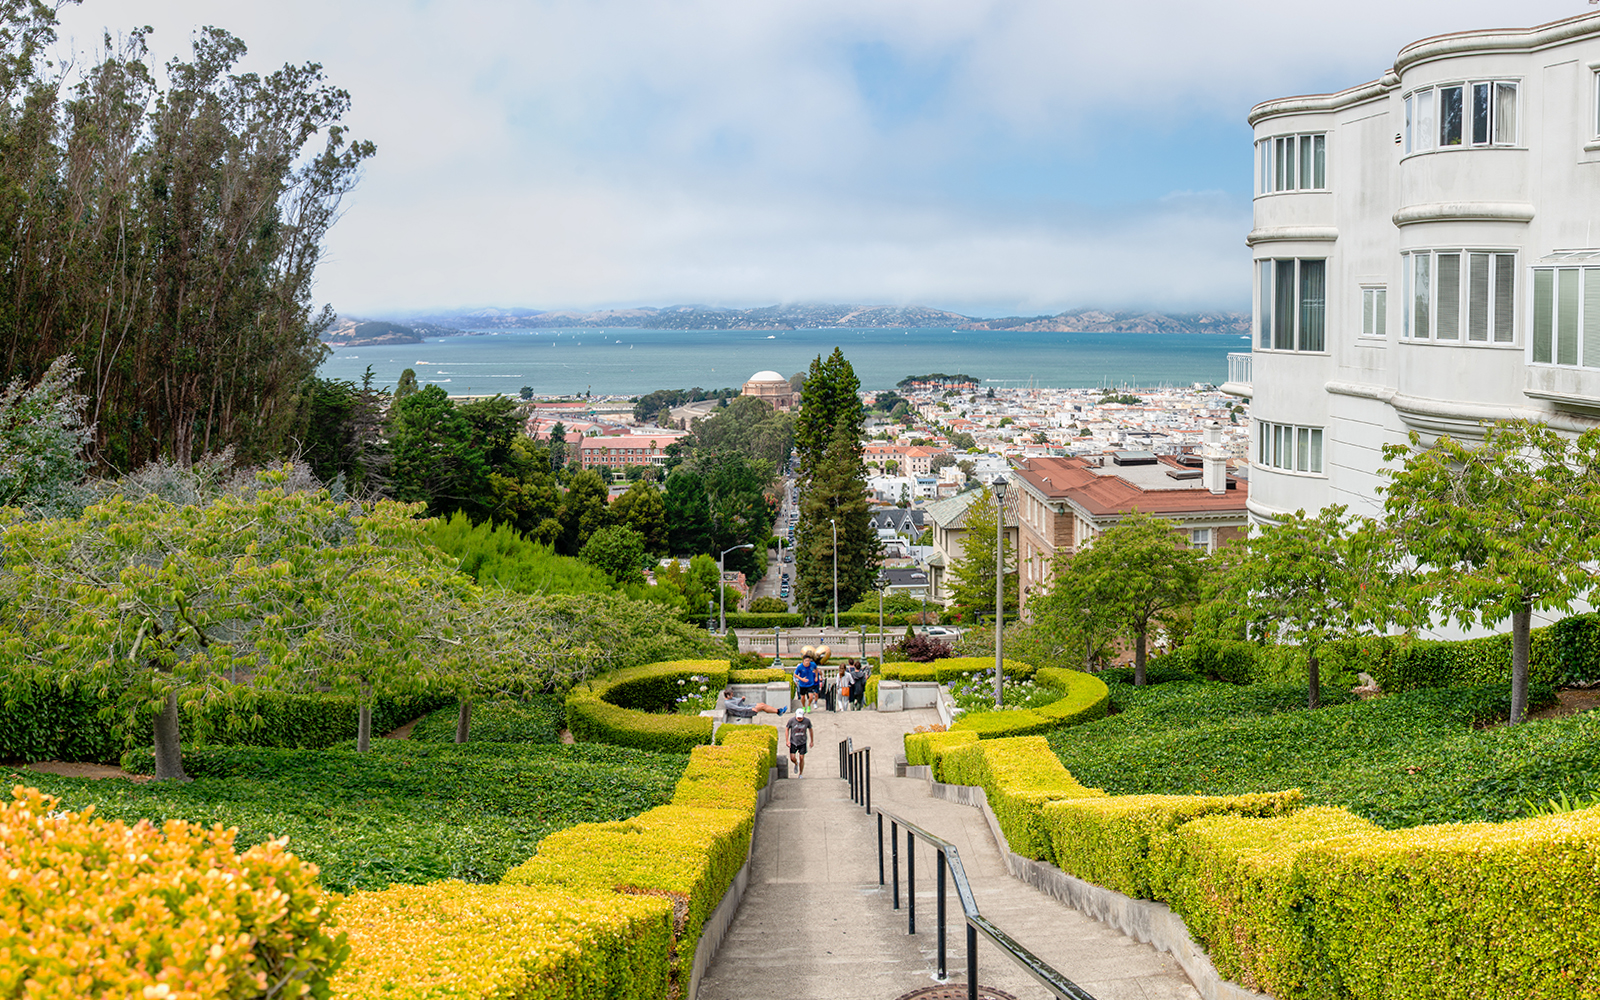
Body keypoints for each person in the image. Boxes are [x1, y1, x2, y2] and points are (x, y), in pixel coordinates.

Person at [716, 688, 785, 721]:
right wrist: (750, 709)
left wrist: (742, 699)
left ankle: (778, 710)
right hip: (744, 712)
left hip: (746, 707)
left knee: (762, 704)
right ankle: (778, 711)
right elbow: (739, 708)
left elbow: (737, 700)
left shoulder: (730, 699)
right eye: (731, 695)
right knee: (762, 707)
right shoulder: (728, 703)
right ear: (727, 696)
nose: (733, 695)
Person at [785, 706, 815, 777]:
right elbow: (787, 729)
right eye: (798, 718)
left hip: (802, 741)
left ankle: (800, 773)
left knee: (801, 757)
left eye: (800, 718)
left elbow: (810, 730)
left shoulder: (807, 721)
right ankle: (796, 763)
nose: (799, 719)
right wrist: (787, 740)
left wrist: (811, 741)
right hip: (793, 741)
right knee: (792, 758)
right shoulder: (791, 720)